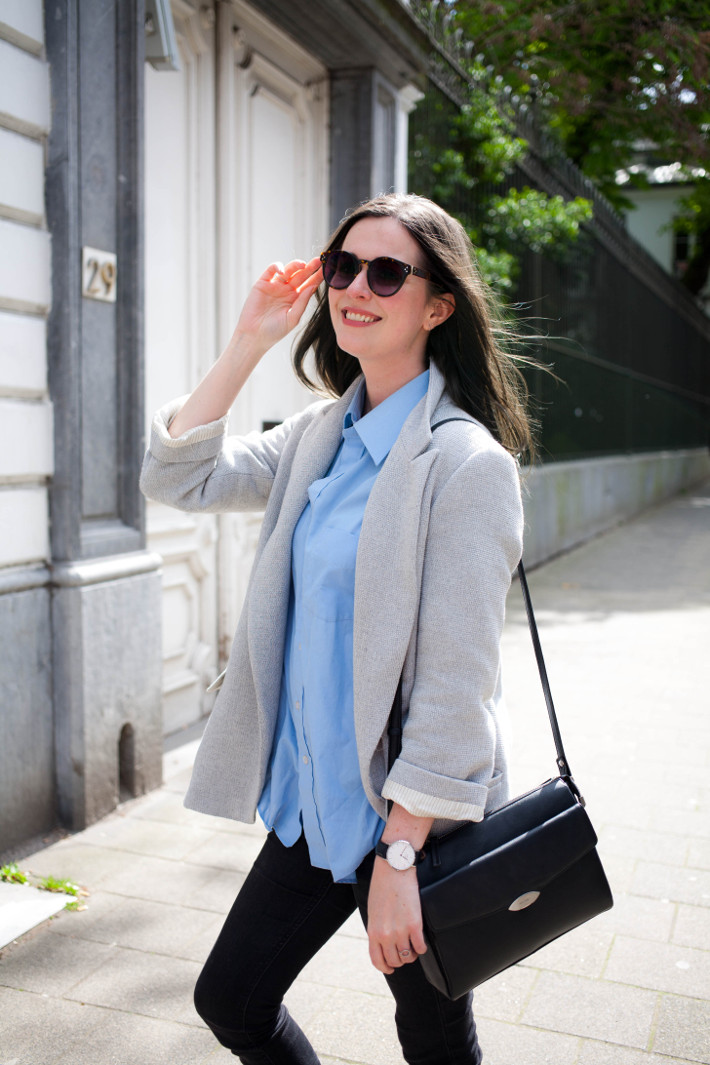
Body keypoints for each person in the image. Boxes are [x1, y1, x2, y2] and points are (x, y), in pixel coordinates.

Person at [140, 193, 533, 1065]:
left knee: (433, 1032)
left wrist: (400, 852)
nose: (358, 286)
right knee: (232, 999)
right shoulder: (319, 433)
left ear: (438, 305)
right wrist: (249, 339)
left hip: (405, 815)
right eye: (344, 266)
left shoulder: (465, 464)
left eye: (387, 271)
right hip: (315, 803)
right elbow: (181, 480)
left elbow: (457, 680)